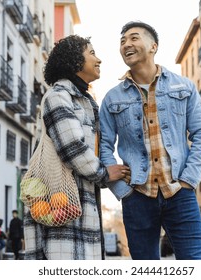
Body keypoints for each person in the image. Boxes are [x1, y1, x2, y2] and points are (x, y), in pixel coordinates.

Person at [99, 21, 201, 260]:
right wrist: (122, 191)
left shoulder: (184, 87)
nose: (126, 45)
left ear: (153, 46)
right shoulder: (112, 98)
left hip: (180, 193)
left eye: (133, 38)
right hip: (137, 197)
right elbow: (103, 147)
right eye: (122, 41)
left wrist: (189, 181)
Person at [23, 34, 130, 260]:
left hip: (78, 206)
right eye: (92, 53)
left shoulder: (83, 99)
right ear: (74, 61)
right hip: (61, 204)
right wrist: (103, 173)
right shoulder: (58, 96)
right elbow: (72, 147)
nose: (98, 59)